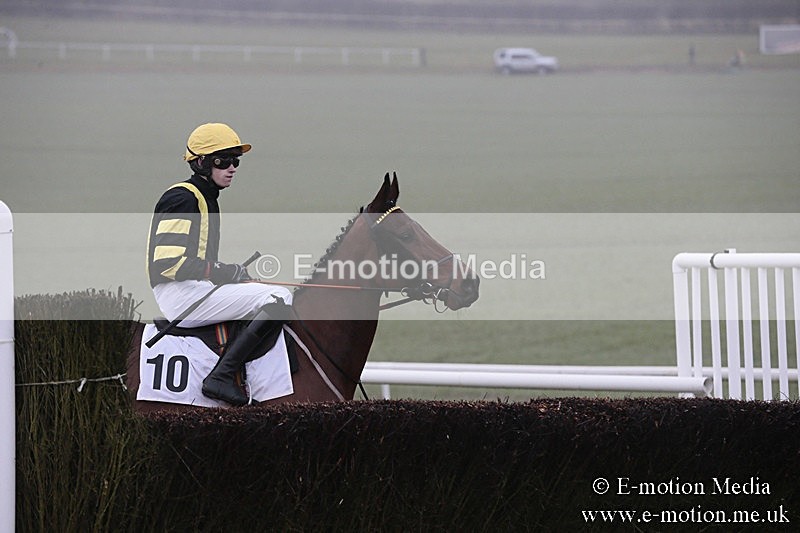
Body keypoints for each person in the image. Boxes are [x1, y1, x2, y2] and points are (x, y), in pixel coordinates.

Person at [146, 122, 292, 406]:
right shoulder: (183, 197)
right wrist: (222, 271)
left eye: (235, 161)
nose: (232, 167)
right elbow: (167, 263)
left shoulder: (205, 197)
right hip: (180, 296)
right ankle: (220, 377)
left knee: (265, 290)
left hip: (192, 289)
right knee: (279, 296)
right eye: (222, 160)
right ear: (200, 162)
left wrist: (226, 273)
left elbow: (195, 262)